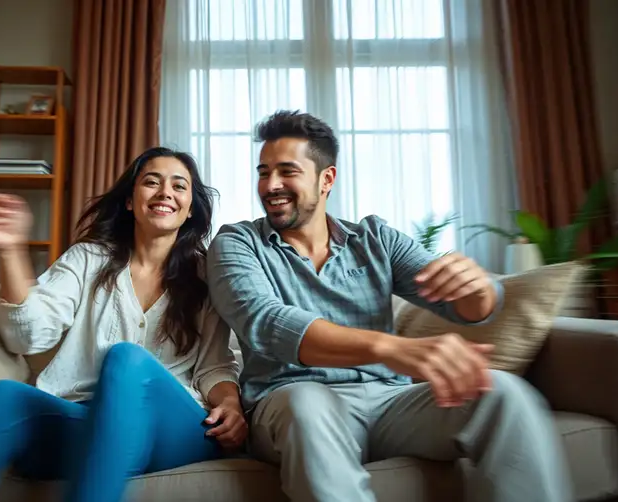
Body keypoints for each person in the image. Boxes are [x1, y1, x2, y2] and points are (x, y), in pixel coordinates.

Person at [205, 110, 573, 502]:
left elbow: (467, 306)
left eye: (286, 171)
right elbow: (268, 323)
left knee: (502, 392)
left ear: (326, 179)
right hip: (290, 399)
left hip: (389, 402)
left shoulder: (376, 238)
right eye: (263, 172)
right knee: (306, 404)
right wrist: (392, 349)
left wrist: (478, 290)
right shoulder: (237, 243)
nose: (271, 185)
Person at [0, 147, 246, 502]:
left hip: (171, 430)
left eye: (179, 186)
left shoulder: (207, 276)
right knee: (2, 396)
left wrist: (229, 404)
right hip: (84, 425)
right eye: (151, 182)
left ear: (189, 210)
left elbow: (214, 365)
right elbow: (28, 335)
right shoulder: (87, 259)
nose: (165, 192)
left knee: (127, 359)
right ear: (129, 201)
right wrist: (11, 250)